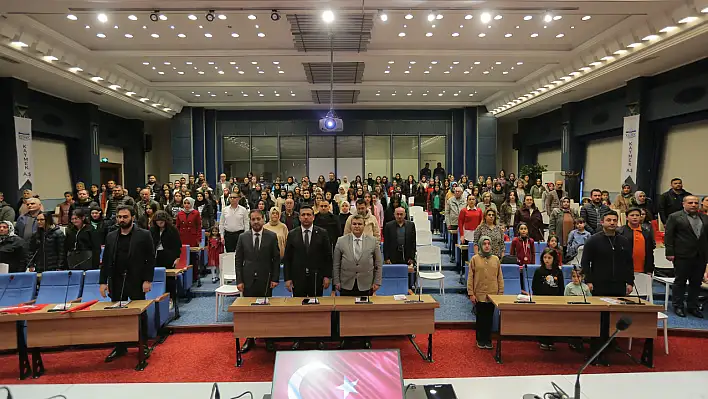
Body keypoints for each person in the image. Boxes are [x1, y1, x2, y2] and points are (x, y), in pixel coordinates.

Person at [99, 205, 155, 362]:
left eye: (125, 217)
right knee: (118, 315)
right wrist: (103, 282)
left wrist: (147, 280)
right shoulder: (111, 236)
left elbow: (150, 259)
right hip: (116, 280)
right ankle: (120, 346)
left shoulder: (143, 235)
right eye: (119, 217)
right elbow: (106, 261)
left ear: (132, 217)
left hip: (136, 280)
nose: (121, 220)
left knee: (139, 313)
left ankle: (143, 344)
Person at [283, 205, 333, 349]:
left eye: (308, 215)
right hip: (298, 277)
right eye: (303, 214)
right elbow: (288, 258)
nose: (306, 217)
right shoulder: (292, 234)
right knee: (299, 309)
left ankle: (318, 338)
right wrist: (287, 278)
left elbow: (327, 257)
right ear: (299, 217)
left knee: (316, 309)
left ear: (313, 217)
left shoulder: (322, 233)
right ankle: (299, 338)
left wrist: (327, 276)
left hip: (316, 277)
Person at [234, 209, 281, 353]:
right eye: (253, 219)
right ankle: (249, 338)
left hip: (266, 279)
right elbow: (238, 260)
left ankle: (269, 339)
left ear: (263, 219)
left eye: (258, 219)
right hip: (248, 280)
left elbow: (276, 259)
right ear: (250, 220)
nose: (255, 222)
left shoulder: (272, 236)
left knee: (266, 311)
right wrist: (239, 280)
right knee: (249, 312)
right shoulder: (243, 237)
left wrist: (275, 278)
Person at [664, 196, 708, 318]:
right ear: (684, 204)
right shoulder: (675, 217)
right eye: (690, 203)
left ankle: (692, 306)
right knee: (680, 281)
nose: (693, 205)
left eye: (696, 203)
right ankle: (678, 306)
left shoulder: (705, 218)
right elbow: (669, 236)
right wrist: (669, 252)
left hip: (700, 255)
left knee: (696, 282)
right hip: (682, 254)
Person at [581, 211, 634, 296]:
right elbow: (585, 262)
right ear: (602, 222)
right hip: (599, 284)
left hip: (619, 284)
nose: (612, 223)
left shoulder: (624, 241)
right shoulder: (593, 240)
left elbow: (629, 263)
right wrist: (588, 281)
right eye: (609, 220)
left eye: (614, 220)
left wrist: (630, 282)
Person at [467, 235, 504, 350]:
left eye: (488, 244)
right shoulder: (474, 259)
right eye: (484, 244)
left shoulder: (496, 259)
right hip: (479, 294)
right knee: (480, 318)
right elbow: (470, 277)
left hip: (492, 294)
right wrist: (471, 293)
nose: (487, 246)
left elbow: (500, 277)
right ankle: (480, 339)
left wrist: (500, 293)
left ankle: (488, 339)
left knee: (489, 318)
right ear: (480, 245)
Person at [333, 214, 383, 297]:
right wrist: (336, 281)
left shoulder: (373, 241)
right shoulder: (341, 240)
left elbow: (378, 263)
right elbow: (336, 264)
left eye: (359, 224)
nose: (357, 226)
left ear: (364, 225)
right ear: (351, 225)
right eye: (354, 224)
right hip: (346, 283)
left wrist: (377, 282)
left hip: (366, 284)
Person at [533, 247, 565, 351]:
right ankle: (542, 340)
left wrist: (560, 300)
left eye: (549, 257)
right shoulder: (539, 271)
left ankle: (551, 341)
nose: (546, 260)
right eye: (545, 257)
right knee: (543, 320)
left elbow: (561, 287)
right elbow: (535, 287)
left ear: (554, 259)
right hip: (542, 300)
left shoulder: (558, 272)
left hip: (555, 300)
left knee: (553, 321)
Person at [383, 207, 417, 290]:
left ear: (405, 215)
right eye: (397, 214)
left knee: (407, 276)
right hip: (393, 255)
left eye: (401, 214)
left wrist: (412, 257)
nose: (399, 216)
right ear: (394, 215)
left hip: (406, 255)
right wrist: (386, 258)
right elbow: (386, 243)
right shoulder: (388, 226)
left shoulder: (411, 225)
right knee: (394, 275)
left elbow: (413, 242)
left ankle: (408, 291)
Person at [616, 208, 655, 275]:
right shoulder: (619, 232)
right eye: (632, 215)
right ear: (627, 218)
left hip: (643, 270)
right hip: (624, 270)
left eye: (637, 215)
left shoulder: (646, 233)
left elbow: (650, 252)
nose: (635, 217)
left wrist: (650, 269)